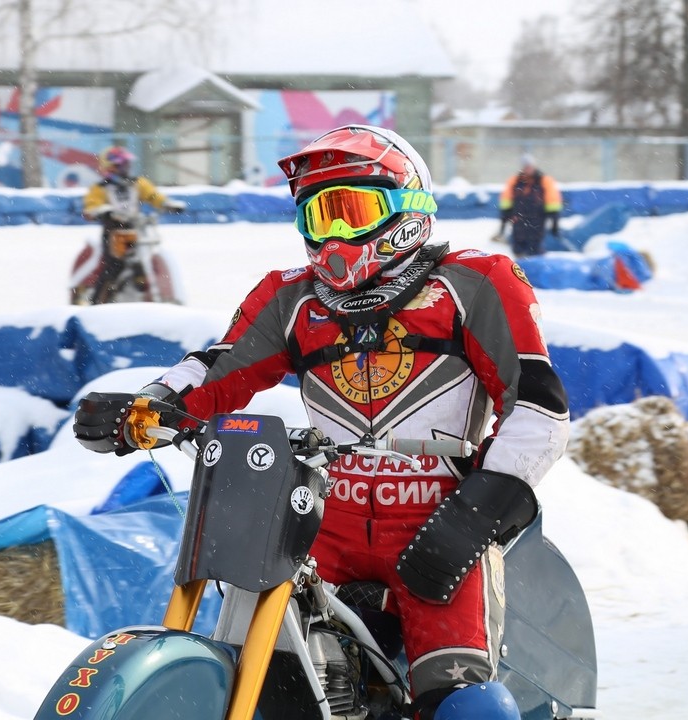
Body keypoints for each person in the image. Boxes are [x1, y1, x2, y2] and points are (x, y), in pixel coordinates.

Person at [73, 125, 570, 720]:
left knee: (467, 708)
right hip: (318, 524)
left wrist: (472, 519)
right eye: (317, 215)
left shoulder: (475, 283)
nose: (331, 235)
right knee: (268, 680)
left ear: (407, 208)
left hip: (438, 522)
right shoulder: (290, 299)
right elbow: (217, 370)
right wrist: (144, 407)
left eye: (349, 211)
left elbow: (540, 408)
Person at [81, 145, 185, 304]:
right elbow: (91, 205)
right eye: (121, 165)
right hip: (114, 231)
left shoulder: (137, 183)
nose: (126, 168)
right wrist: (104, 211)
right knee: (114, 266)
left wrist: (167, 204)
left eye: (127, 164)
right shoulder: (101, 188)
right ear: (110, 167)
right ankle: (97, 301)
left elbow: (153, 195)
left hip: (135, 229)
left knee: (143, 259)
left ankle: (146, 293)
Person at [496, 153, 563, 257]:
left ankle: (533, 267)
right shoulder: (515, 181)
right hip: (518, 219)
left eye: (530, 166)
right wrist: (504, 218)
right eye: (526, 167)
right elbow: (506, 200)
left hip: (537, 219)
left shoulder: (544, 180)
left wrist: (555, 222)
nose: (528, 169)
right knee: (518, 247)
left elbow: (552, 200)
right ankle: (518, 267)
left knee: (535, 246)